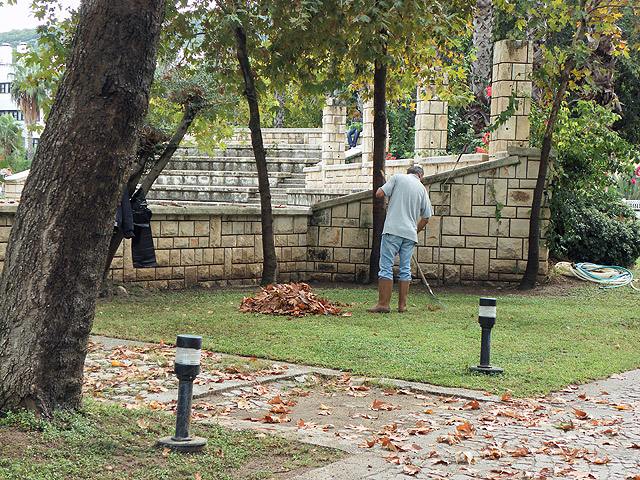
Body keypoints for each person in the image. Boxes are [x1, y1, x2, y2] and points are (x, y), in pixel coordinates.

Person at [368, 165, 432, 313]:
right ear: (420, 176)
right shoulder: (422, 189)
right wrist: (415, 231)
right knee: (405, 269)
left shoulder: (398, 177)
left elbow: (379, 193)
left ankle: (383, 304)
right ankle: (402, 306)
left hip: (393, 230)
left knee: (386, 267)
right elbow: (426, 217)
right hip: (410, 234)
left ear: (408, 173)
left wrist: (388, 196)